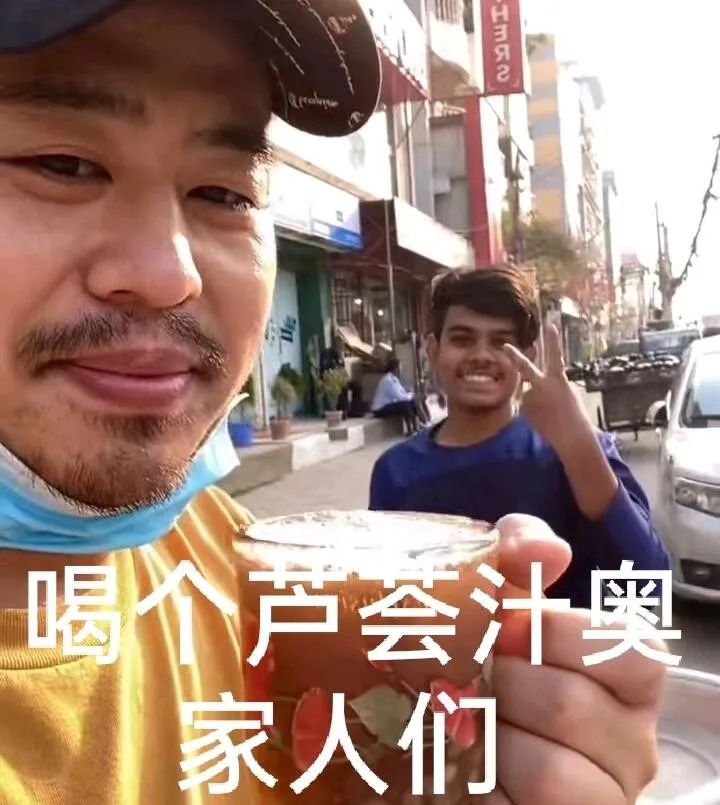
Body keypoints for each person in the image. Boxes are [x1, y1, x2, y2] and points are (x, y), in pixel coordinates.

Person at [0, 3, 665, 803]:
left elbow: (642, 575)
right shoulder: (398, 472)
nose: (170, 273)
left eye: (223, 191)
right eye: (63, 165)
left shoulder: (247, 573)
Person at [370, 266, 670, 607]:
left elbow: (647, 585)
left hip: (553, 640)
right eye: (462, 339)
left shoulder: (575, 448)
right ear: (433, 349)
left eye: (502, 343)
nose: (481, 356)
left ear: (529, 356)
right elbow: (382, 597)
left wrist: (577, 444)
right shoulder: (396, 471)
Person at [371, 356, 425, 434]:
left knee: (412, 402)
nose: (401, 369)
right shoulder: (388, 380)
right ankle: (411, 429)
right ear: (395, 368)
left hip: (388, 405)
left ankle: (416, 426)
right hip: (379, 409)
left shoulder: (394, 379)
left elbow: (402, 393)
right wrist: (412, 396)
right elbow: (399, 397)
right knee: (405, 405)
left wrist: (412, 395)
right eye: (400, 367)